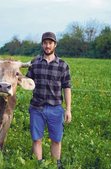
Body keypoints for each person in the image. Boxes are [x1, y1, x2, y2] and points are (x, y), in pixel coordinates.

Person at [26, 32, 72, 168]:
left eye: (50, 43)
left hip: (55, 108)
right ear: (42, 44)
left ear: (55, 45)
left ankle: (55, 164)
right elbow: (26, 81)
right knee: (36, 138)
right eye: (45, 43)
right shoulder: (34, 63)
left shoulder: (63, 65)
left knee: (56, 139)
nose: (47, 45)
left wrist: (68, 109)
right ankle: (39, 164)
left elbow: (67, 87)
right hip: (36, 108)